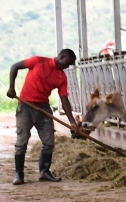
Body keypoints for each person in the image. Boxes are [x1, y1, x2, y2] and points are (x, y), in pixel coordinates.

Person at [6, 49, 81, 185]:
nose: (68, 67)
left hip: (43, 108)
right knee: (22, 141)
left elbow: (64, 100)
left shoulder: (62, 77)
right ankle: (19, 174)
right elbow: (15, 66)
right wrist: (11, 87)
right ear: (61, 57)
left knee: (48, 141)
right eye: (68, 63)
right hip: (25, 105)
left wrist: (72, 122)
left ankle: (44, 172)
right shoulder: (38, 61)